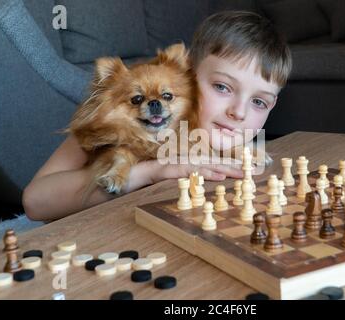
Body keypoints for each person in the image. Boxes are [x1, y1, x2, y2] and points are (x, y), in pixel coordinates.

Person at [22, 11, 292, 221]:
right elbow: (34, 202)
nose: (239, 112)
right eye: (222, 87)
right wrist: (151, 172)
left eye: (258, 101)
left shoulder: (234, 149)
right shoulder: (113, 126)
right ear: (188, 77)